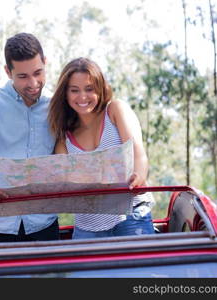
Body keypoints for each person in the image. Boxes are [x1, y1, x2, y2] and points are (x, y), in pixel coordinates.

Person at [0, 33, 59, 243]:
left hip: (44, 226)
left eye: (38, 72)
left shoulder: (57, 105)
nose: (33, 83)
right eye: (23, 76)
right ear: (8, 72)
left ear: (45, 62)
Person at [48, 57, 154, 239]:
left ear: (100, 88)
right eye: (74, 90)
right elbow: (65, 182)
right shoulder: (63, 137)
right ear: (65, 94)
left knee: (141, 268)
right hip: (87, 225)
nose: (82, 97)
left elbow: (139, 155)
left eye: (89, 89)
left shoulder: (115, 110)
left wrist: (139, 175)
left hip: (130, 215)